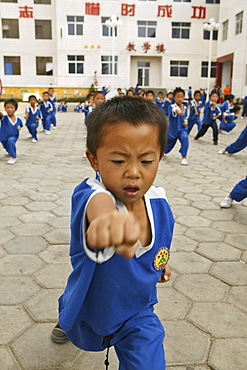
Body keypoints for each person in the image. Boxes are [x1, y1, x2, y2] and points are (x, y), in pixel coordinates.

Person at [51, 96, 174, 370]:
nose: (133, 173)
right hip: (94, 307)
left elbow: (159, 245)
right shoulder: (93, 194)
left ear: (160, 158)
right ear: (94, 160)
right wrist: (108, 222)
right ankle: (65, 315)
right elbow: (100, 207)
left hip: (138, 311)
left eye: (146, 161)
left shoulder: (160, 203)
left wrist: (162, 264)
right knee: (74, 310)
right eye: (118, 161)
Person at [164, 87, 189, 165]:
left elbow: (185, 118)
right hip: (172, 131)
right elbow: (175, 110)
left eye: (181, 97)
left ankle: (184, 157)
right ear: (174, 98)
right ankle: (162, 152)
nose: (180, 99)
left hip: (181, 129)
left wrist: (185, 122)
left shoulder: (185, 108)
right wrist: (179, 111)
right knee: (167, 147)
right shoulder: (171, 107)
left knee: (185, 138)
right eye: (178, 97)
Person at [0, 99, 23, 164]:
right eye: (7, 108)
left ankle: (13, 157)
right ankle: (9, 150)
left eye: (11, 108)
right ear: (5, 109)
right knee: (6, 145)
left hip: (13, 136)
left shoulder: (18, 119)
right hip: (3, 137)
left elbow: (20, 126)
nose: (9, 109)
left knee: (11, 141)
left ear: (15, 109)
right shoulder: (4, 118)